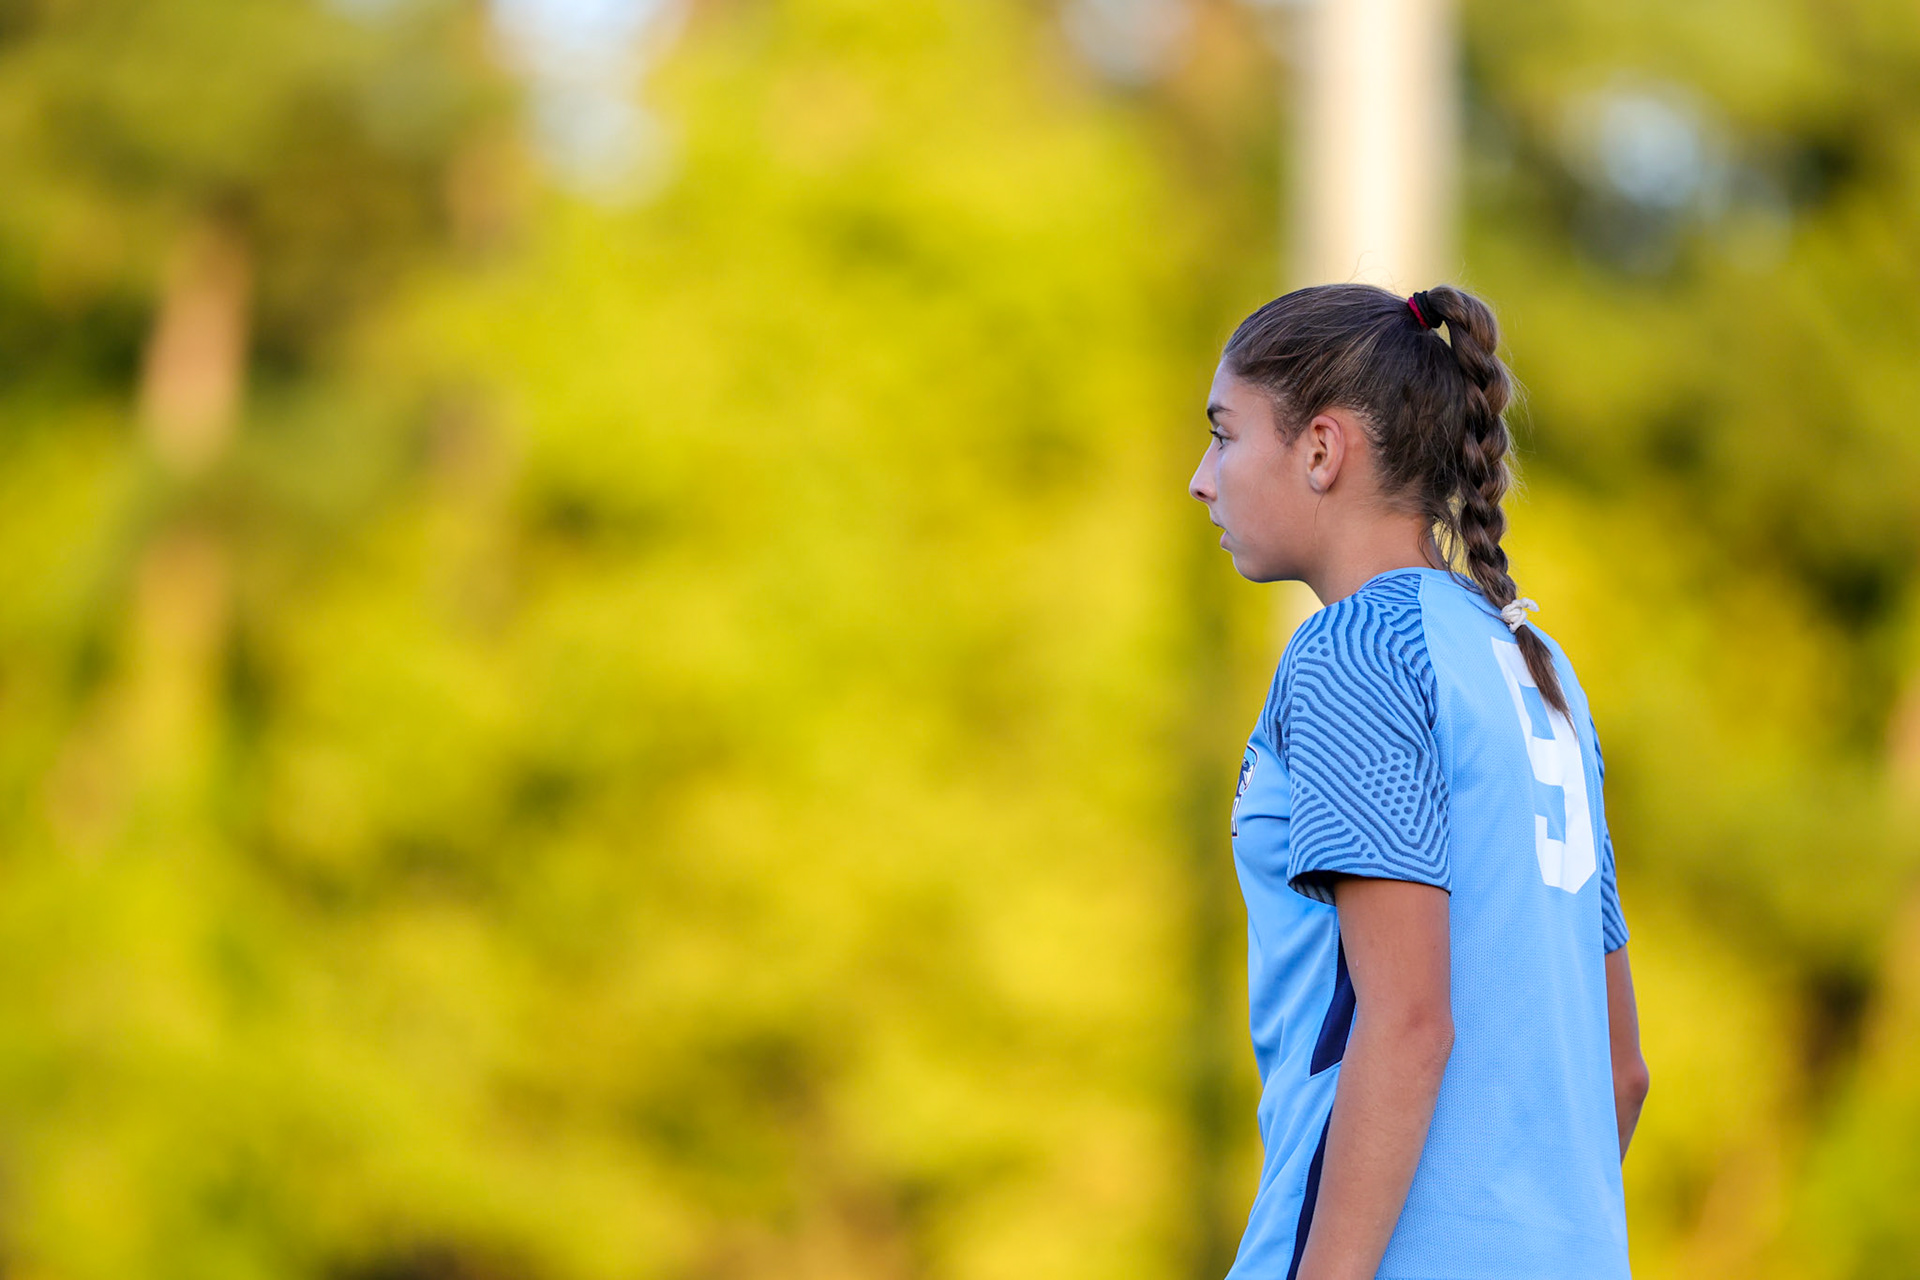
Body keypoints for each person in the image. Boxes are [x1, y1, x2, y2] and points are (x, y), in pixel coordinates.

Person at [1188, 283, 1650, 1280]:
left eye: (1225, 435)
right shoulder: (1541, 668)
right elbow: (1621, 1073)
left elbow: (1405, 1020)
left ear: (1321, 448)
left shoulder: (1355, 646)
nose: (1200, 477)